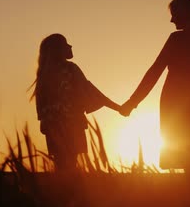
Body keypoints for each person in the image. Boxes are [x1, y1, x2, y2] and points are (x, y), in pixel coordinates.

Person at [121, 0, 190, 173]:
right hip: (189, 103)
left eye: (175, 14)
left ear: (186, 14)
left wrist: (132, 102)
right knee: (189, 161)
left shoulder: (179, 40)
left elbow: (154, 72)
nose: (172, 19)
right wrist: (132, 102)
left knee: (188, 159)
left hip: (179, 102)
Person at [29, 33, 121, 171]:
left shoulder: (44, 74)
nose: (70, 46)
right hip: (72, 124)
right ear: (58, 49)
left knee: (61, 165)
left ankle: (62, 190)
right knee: (70, 164)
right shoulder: (70, 69)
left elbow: (42, 110)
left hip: (53, 128)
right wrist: (118, 107)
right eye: (66, 44)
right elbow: (90, 90)